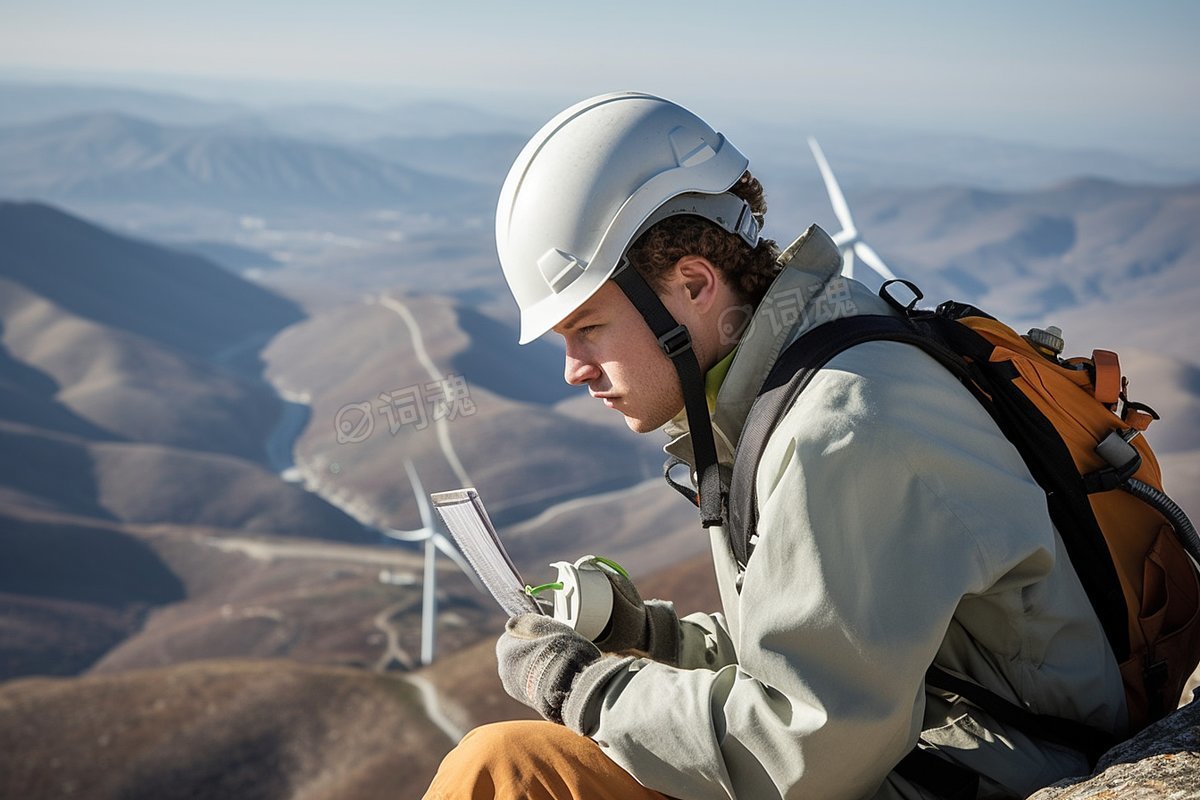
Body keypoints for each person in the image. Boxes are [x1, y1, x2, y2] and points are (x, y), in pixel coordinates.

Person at [424, 92, 1126, 800]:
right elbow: (825, 648)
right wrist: (648, 635)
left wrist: (580, 685)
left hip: (978, 771)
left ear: (694, 284)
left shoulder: (840, 427)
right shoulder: (801, 369)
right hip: (936, 742)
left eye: (587, 329)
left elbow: (803, 750)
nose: (573, 369)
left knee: (509, 771)